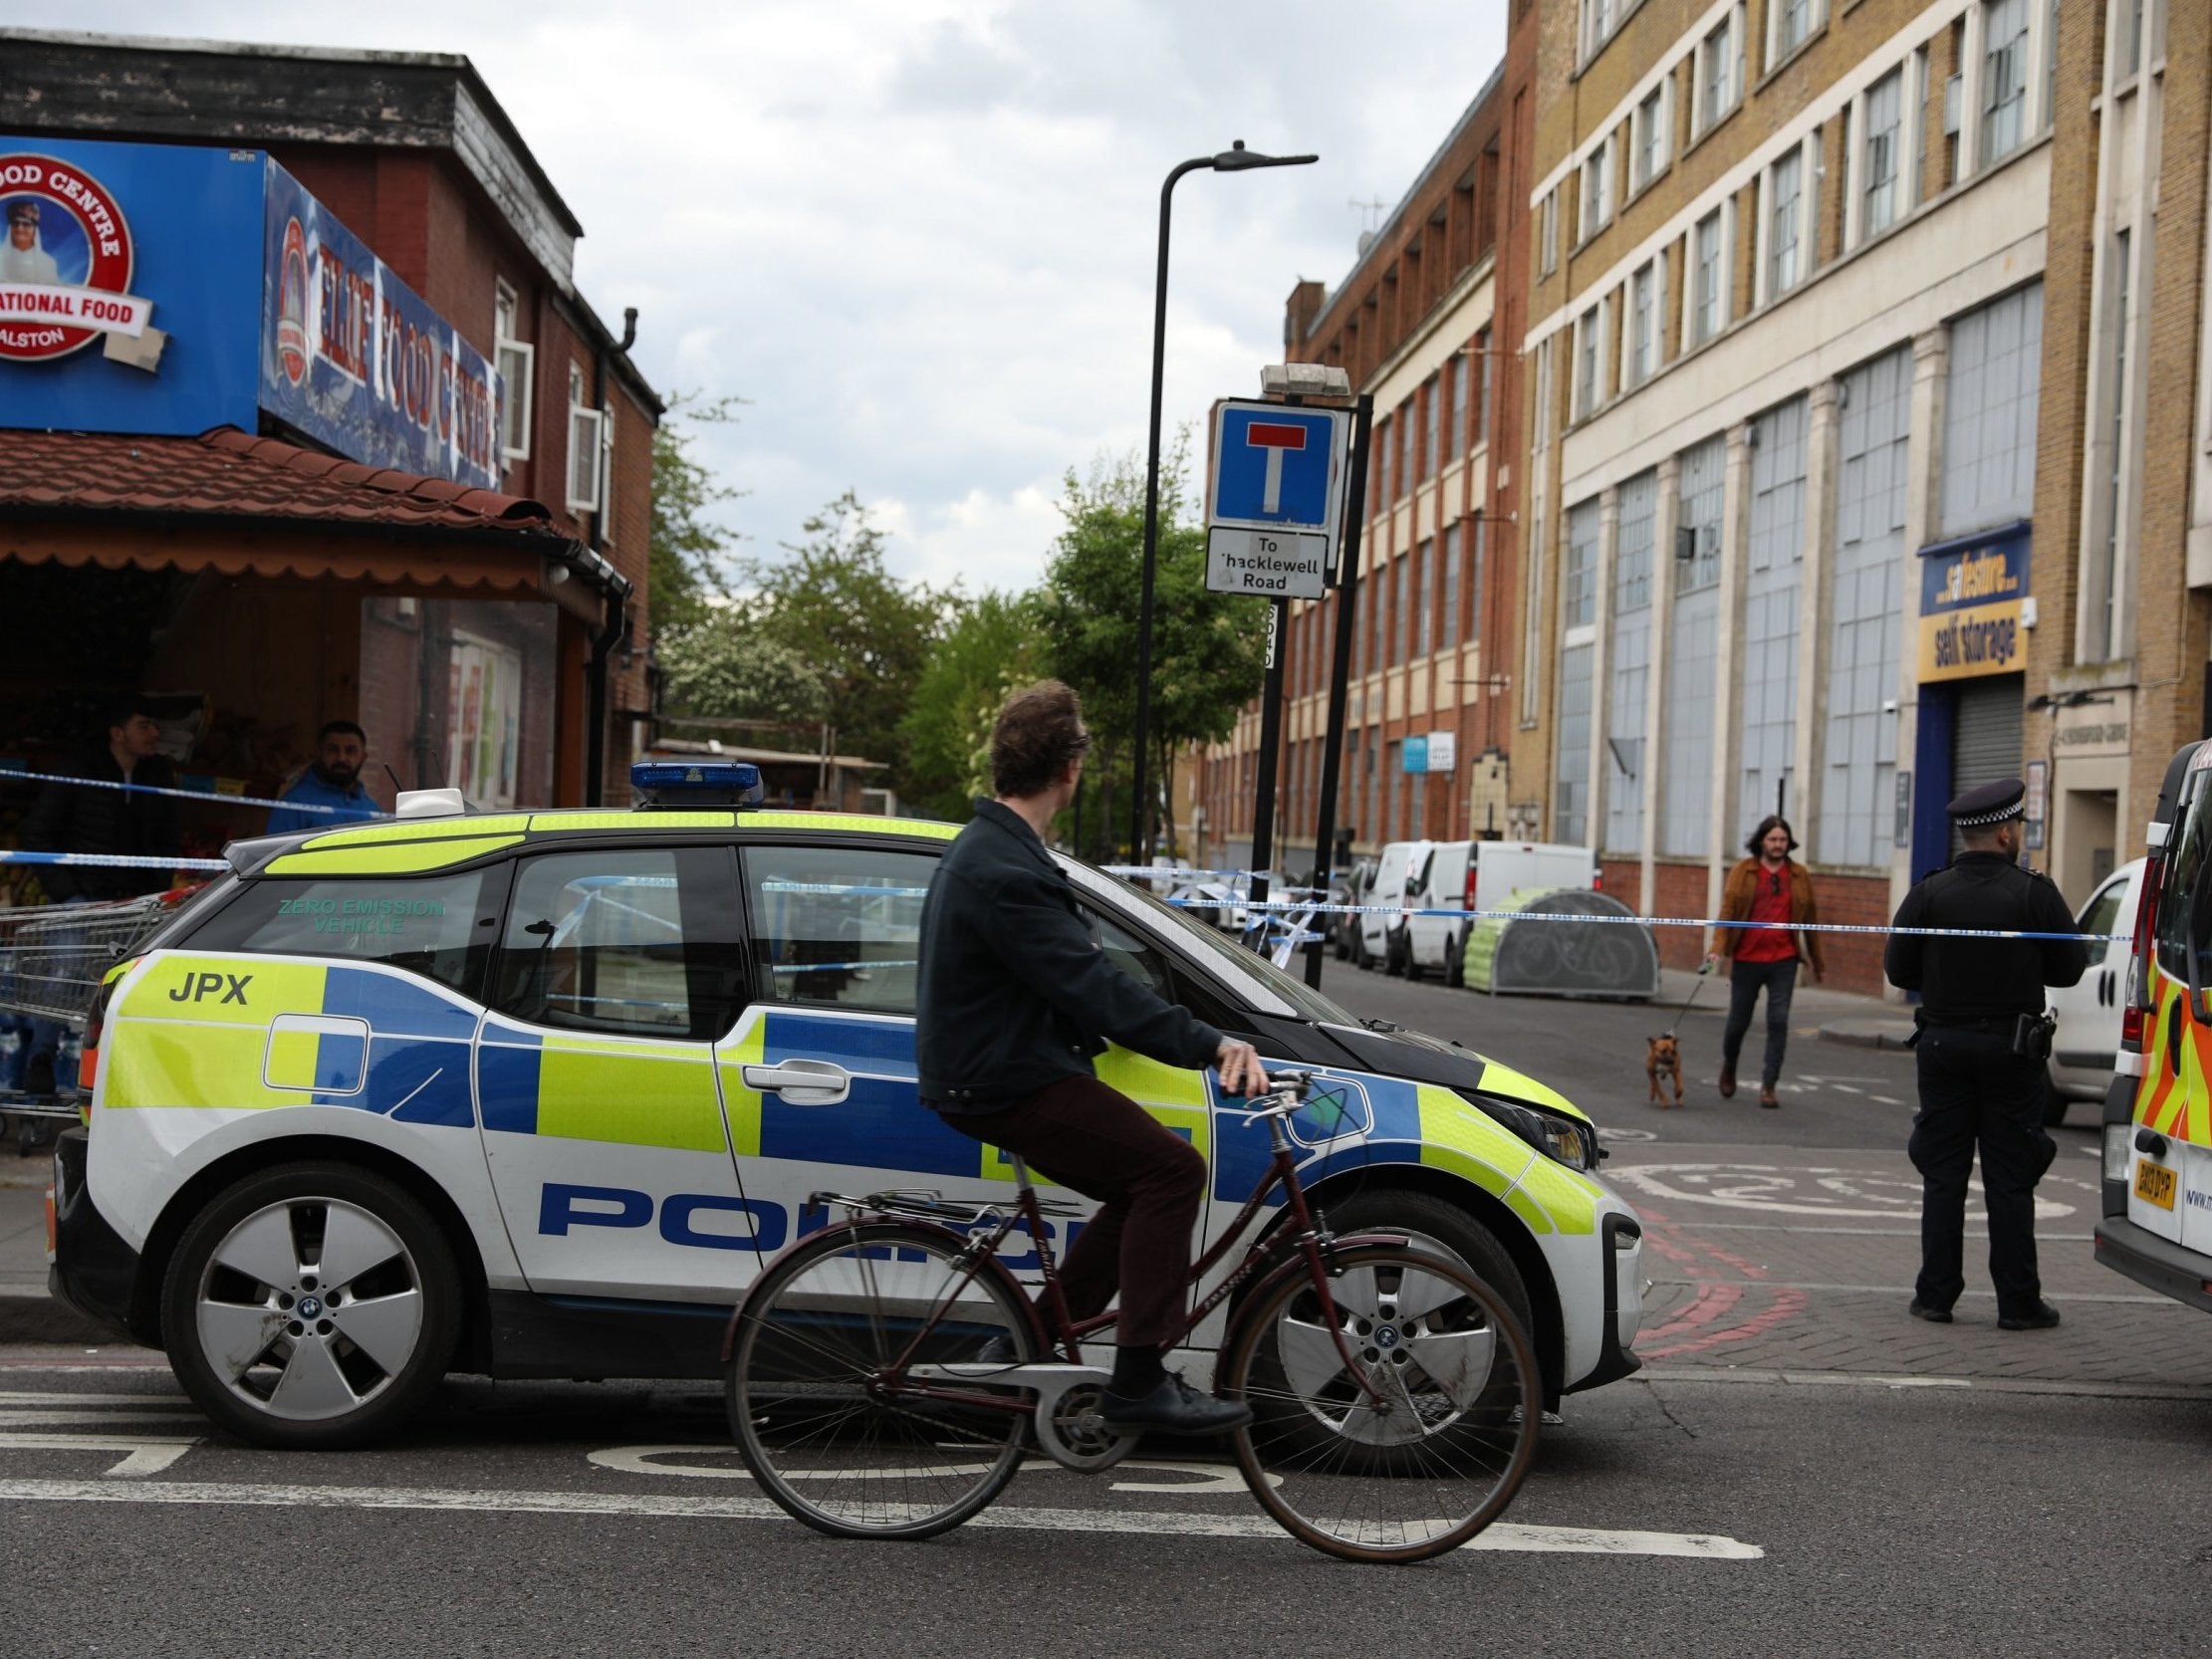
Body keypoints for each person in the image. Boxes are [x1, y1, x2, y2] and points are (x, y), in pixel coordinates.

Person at [916, 680, 1268, 1435]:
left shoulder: (998, 851)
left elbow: (1080, 975)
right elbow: (1093, 987)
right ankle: (1137, 1380)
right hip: (1004, 1078)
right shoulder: (1004, 869)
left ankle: (1027, 1348)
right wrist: (1209, 1042)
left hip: (1005, 1068)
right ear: (1070, 768)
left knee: (1137, 1187)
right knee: (1170, 1172)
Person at [1884, 779, 2088, 1331]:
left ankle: (1935, 1296)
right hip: (2011, 1049)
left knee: (1943, 1175)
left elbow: (1898, 971)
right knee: (2010, 1176)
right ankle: (2019, 1304)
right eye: (2017, 828)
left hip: (1943, 1046)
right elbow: (2070, 968)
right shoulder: (2034, 892)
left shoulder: (1929, 891)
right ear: (2004, 831)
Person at [17, 702, 182, 1096]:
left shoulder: (159, 775)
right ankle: (41, 1061)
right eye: (144, 725)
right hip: (82, 900)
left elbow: (168, 841)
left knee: (135, 988)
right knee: (63, 976)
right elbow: (36, 835)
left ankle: (123, 1077)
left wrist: (158, 895)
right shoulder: (79, 770)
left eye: (155, 726)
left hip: (139, 905)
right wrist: (69, 895)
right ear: (117, 732)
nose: (153, 734)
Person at [1707, 816, 1826, 1108]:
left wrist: (1816, 961)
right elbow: (1728, 912)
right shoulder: (1743, 871)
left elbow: (1810, 919)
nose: (1778, 845)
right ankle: (1729, 1066)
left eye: (1783, 840)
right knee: (1738, 1023)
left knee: (1777, 1021)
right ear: (1761, 840)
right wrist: (1717, 948)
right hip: (1747, 958)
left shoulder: (1798, 875)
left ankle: (1769, 1085)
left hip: (1784, 959)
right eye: (1772, 839)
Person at [267, 720, 380, 834]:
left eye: (350, 751)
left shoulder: (372, 808)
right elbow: (275, 851)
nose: (341, 758)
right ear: (319, 753)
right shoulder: (294, 804)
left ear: (363, 757)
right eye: (333, 750)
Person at [1, 200, 62, 285]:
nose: (20, 228)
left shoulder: (48, 263)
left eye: (26, 224)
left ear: (35, 230)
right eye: (16, 223)